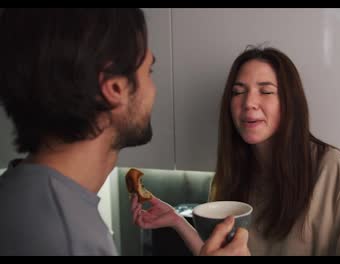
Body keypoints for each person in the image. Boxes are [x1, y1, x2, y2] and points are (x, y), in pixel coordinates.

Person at [0, 8, 249, 256]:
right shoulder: (71, 240)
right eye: (148, 72)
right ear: (115, 88)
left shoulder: (18, 193)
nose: (153, 90)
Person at [132, 46, 340, 256]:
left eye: (266, 91)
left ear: (289, 104)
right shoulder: (229, 176)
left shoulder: (334, 172)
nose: (249, 103)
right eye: (238, 92)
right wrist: (177, 221)